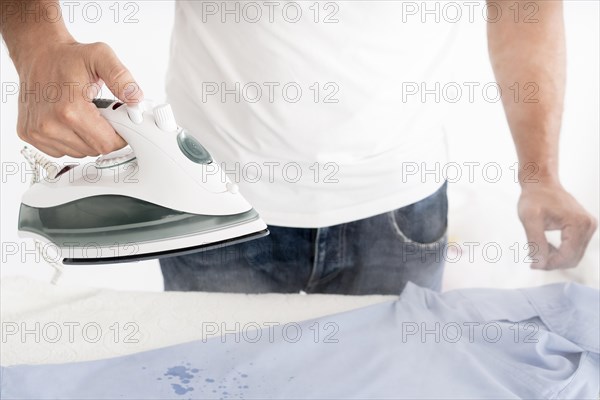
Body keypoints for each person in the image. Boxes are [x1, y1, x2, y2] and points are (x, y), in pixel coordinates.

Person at [1, 0, 596, 294]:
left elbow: (525, 10)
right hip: (215, 226)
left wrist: (539, 172)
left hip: (400, 208)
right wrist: (37, 42)